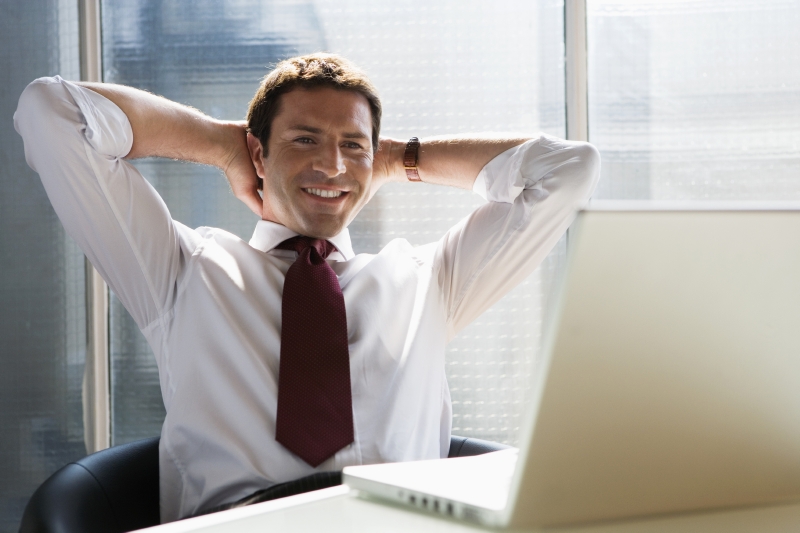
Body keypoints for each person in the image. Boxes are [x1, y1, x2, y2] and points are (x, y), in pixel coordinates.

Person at [14, 53, 600, 522]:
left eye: (352, 146)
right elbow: (52, 112)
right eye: (304, 139)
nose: (334, 166)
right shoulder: (182, 269)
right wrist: (223, 145)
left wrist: (397, 158)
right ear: (259, 152)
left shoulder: (429, 279)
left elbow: (568, 170)